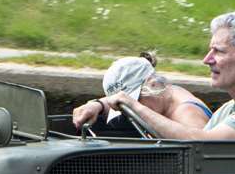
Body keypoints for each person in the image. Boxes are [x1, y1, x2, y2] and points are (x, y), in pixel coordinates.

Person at [94, 10, 235, 141]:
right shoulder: (228, 110)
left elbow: (202, 143)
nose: (207, 60)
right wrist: (101, 104)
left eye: (219, 51)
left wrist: (133, 105)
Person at [71, 53, 214, 134]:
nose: (129, 110)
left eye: (134, 101)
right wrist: (98, 105)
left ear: (152, 84)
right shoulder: (159, 96)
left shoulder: (187, 112)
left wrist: (132, 104)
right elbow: (121, 101)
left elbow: (203, 150)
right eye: (123, 107)